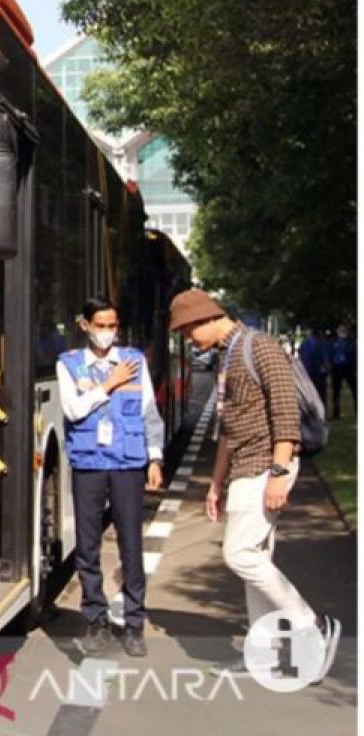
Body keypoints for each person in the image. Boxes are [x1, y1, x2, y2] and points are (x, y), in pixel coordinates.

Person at [169, 289, 340, 680]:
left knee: (240, 554)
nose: (188, 341)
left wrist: (279, 473)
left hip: (266, 464)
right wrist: (216, 483)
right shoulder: (228, 356)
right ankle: (261, 656)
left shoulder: (261, 348)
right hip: (245, 467)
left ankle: (312, 626)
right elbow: (228, 426)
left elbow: (285, 414)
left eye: (186, 332)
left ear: (205, 319)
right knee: (256, 560)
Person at [57, 296, 164, 658]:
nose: (107, 333)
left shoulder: (134, 362)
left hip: (128, 463)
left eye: (112, 325)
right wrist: (108, 385)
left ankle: (134, 623)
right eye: (100, 325)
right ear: (84, 325)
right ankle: (96, 620)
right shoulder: (68, 365)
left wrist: (155, 457)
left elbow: (149, 411)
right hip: (89, 463)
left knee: (130, 544)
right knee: (87, 546)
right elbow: (72, 409)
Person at [329, 323, 356, 419]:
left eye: (343, 329)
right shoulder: (333, 342)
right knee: (336, 392)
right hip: (337, 368)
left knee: (355, 390)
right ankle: (336, 413)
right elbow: (330, 354)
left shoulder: (351, 342)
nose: (342, 331)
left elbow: (354, 355)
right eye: (340, 329)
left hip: (348, 368)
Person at [298, 326, 330, 407]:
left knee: (310, 393)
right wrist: (327, 370)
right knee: (321, 393)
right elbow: (324, 359)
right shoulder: (321, 343)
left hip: (307, 372)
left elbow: (301, 356)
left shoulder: (305, 343)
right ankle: (322, 410)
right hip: (319, 372)